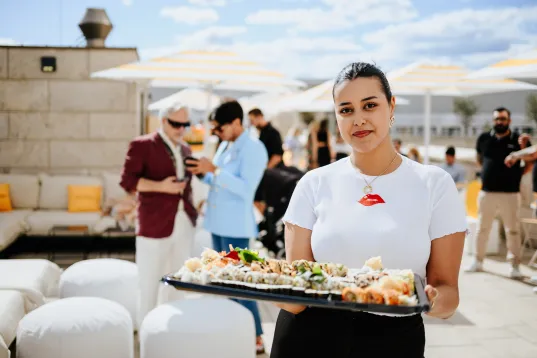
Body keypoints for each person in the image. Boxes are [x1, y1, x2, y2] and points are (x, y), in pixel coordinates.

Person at [270, 62, 467, 357]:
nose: (358, 119)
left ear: (391, 107)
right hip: (309, 338)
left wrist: (431, 300)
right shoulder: (312, 183)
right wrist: (266, 285)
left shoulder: (434, 185)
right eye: (346, 110)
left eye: (370, 105)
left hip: (392, 342)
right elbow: (297, 298)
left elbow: (448, 292)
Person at [186, 100, 268, 354]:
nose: (216, 133)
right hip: (218, 223)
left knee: (240, 283)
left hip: (237, 226)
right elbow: (217, 178)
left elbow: (246, 189)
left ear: (235, 123)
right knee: (224, 282)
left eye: (219, 128)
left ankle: (255, 335)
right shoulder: (225, 144)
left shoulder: (254, 148)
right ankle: (236, 330)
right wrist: (203, 173)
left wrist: (216, 171)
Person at [120, 102, 198, 327]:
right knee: (148, 283)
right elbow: (128, 182)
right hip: (153, 225)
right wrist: (161, 186)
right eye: (175, 123)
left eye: (185, 124)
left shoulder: (186, 149)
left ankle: (171, 329)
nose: (181, 129)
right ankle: (146, 333)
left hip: (183, 223)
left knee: (178, 282)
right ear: (163, 121)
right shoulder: (142, 145)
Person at [466, 107, 529, 278]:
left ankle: (514, 266)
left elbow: (529, 161)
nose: (499, 122)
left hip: (511, 193)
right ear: (493, 121)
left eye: (503, 119)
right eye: (497, 119)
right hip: (487, 193)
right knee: (482, 228)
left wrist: (518, 172)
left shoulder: (518, 139)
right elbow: (479, 159)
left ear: (509, 121)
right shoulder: (484, 138)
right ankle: (478, 261)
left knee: (513, 230)